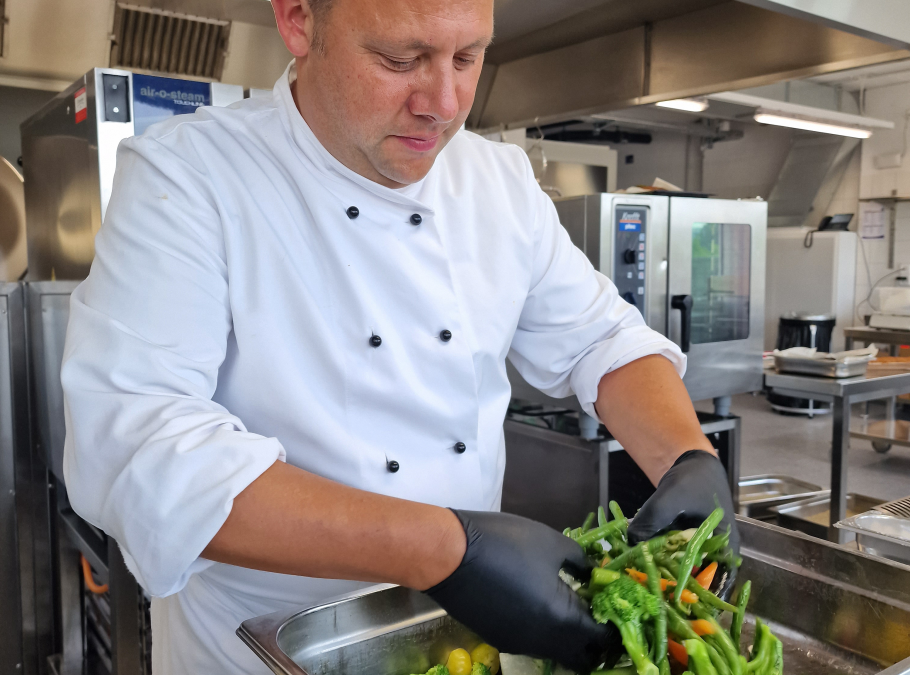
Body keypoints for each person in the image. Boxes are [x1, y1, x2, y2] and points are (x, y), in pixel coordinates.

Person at [61, 0, 738, 672]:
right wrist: (445, 546)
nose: (443, 103)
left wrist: (688, 455)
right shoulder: (189, 175)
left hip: (462, 636)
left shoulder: (498, 183)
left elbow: (602, 339)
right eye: (399, 59)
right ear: (298, 20)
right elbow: (140, 445)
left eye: (469, 57)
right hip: (262, 646)